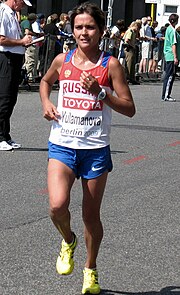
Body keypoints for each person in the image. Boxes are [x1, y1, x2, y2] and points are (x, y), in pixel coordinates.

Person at [39, 2, 135, 294]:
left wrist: (101, 92)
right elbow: (45, 81)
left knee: (90, 216)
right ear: (72, 29)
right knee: (57, 206)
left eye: (90, 27)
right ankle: (68, 240)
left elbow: (129, 108)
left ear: (101, 30)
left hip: (94, 149)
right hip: (62, 145)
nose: (84, 32)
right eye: (79, 27)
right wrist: (46, 102)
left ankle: (90, 268)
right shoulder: (61, 60)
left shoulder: (111, 64)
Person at [0, 0, 32, 151]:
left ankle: (5, 135)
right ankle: (0, 136)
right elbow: (1, 39)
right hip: (6, 57)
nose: (23, 6)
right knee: (4, 97)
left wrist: (22, 43)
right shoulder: (3, 11)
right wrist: (21, 41)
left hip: (14, 57)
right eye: (22, 3)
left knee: (11, 98)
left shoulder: (13, 14)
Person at [161, 13, 180, 102]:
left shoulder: (169, 29)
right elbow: (173, 44)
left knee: (170, 75)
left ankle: (166, 94)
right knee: (170, 76)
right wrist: (175, 57)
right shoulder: (172, 30)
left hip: (170, 55)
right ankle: (166, 95)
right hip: (171, 56)